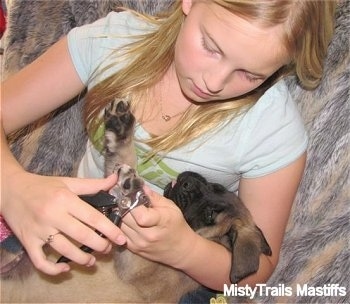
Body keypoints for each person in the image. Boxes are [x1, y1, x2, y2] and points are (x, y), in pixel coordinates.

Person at [1, 0, 336, 299]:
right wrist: (14, 187)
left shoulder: (272, 130)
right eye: (211, 47)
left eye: (251, 75)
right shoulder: (111, 43)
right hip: (73, 232)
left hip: (168, 279)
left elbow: (257, 270)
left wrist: (184, 250)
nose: (214, 82)